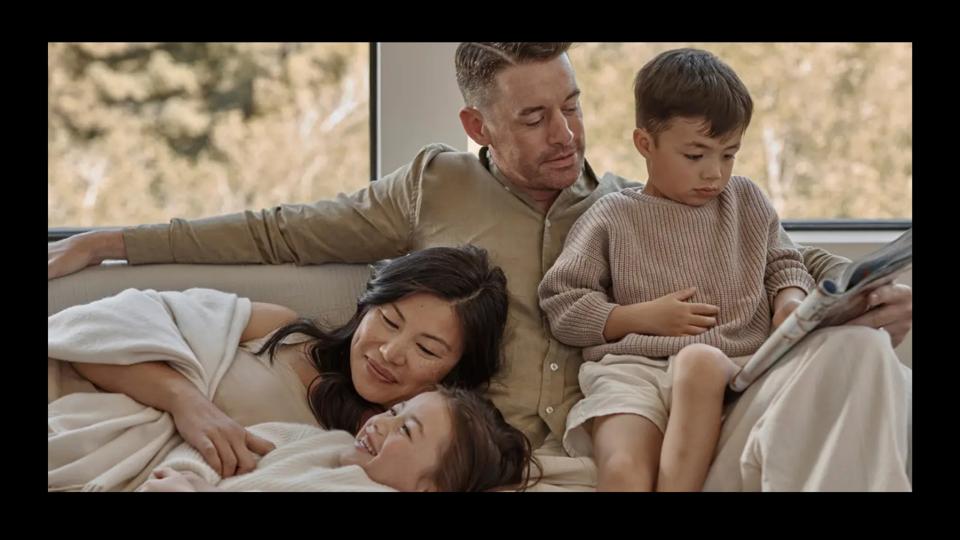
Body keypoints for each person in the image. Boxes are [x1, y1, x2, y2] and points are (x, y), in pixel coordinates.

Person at [47, 43, 912, 490]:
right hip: (517, 457)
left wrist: (867, 288)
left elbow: (781, 246)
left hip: (662, 436)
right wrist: (114, 242)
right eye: (534, 118)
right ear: (479, 126)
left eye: (571, 106)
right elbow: (278, 233)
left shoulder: (624, 201)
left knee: (856, 356)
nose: (565, 135)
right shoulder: (433, 187)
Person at [539, 48, 824, 491]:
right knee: (623, 465)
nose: (714, 173)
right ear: (645, 145)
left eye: (728, 155)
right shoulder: (613, 216)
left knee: (701, 362)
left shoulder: (746, 202)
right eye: (696, 155)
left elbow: (786, 263)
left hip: (732, 368)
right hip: (630, 370)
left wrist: (791, 301)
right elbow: (563, 303)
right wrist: (637, 317)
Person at [60, 245, 509, 480]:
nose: (391, 352)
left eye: (427, 350)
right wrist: (186, 401)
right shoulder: (284, 333)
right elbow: (97, 333)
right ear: (366, 307)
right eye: (389, 320)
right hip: (69, 407)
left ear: (456, 375)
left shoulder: (384, 454)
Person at [138, 386, 536, 492]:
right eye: (396, 412)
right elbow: (216, 445)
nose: (382, 423)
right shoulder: (316, 440)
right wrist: (182, 475)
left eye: (407, 431)